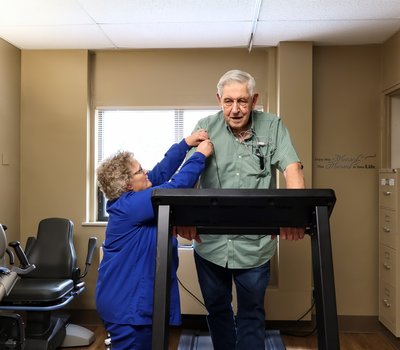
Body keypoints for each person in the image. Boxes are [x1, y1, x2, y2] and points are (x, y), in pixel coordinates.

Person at [177, 69, 306, 350]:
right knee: (217, 309)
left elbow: (292, 169)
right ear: (218, 99)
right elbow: (189, 174)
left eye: (243, 101)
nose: (235, 110)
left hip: (255, 245)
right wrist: (183, 218)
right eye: (228, 101)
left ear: (254, 99)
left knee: (251, 313)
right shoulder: (205, 127)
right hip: (211, 244)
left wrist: (294, 215)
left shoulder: (272, 127)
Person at [95, 130, 213, 350]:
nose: (146, 171)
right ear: (127, 184)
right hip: (127, 306)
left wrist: (185, 144)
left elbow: (160, 173)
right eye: (140, 170)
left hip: (133, 303)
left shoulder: (134, 198)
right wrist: (199, 156)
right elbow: (175, 187)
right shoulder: (130, 206)